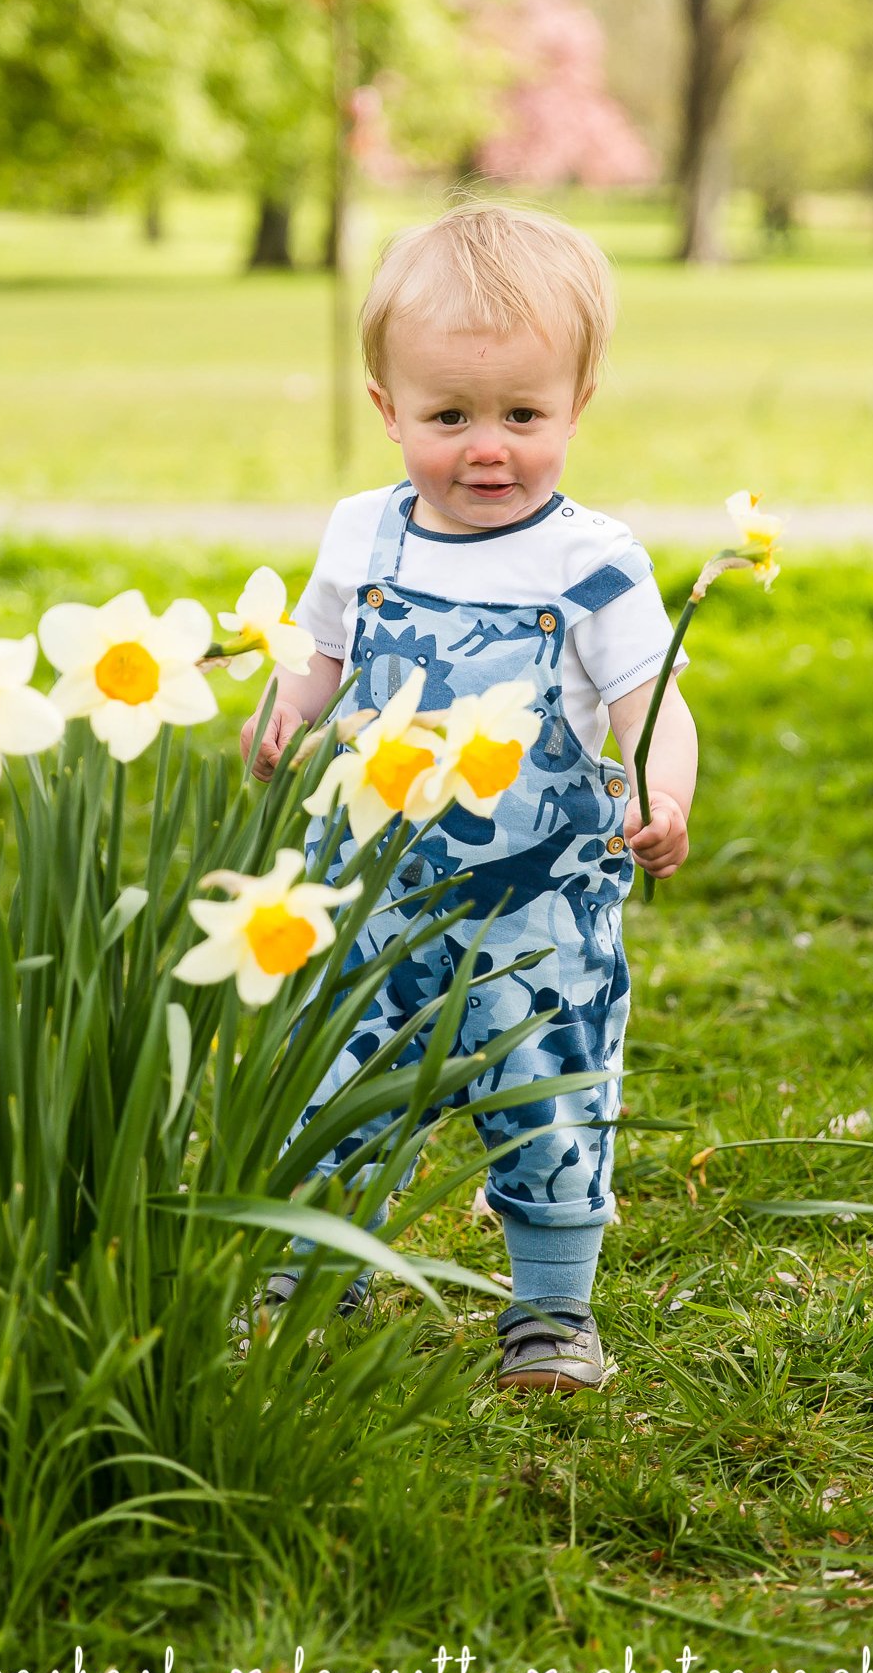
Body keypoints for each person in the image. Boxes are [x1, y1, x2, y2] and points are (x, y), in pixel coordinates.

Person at [239, 202, 697, 1393]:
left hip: (535, 908)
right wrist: (290, 708)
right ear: (387, 408)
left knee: (548, 1088)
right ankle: (303, 1273)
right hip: (373, 894)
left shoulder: (590, 558)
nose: (486, 447)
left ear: (577, 404)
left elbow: (651, 699)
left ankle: (550, 1311)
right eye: (449, 416)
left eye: (522, 415)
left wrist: (662, 789)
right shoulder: (364, 532)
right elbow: (322, 651)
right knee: (336, 1081)